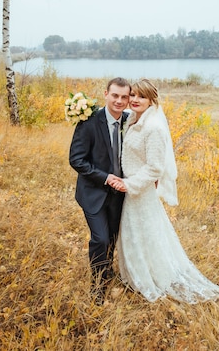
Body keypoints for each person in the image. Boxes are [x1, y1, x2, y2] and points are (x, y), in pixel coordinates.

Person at [110, 79, 219, 304]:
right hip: (133, 190)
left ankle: (152, 276)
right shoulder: (134, 119)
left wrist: (129, 184)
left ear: (152, 100)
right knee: (136, 234)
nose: (134, 99)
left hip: (139, 191)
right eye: (132, 95)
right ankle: (137, 273)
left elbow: (155, 167)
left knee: (145, 234)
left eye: (141, 97)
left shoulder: (153, 127)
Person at [69, 77, 131, 305]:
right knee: (101, 238)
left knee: (113, 237)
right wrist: (105, 178)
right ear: (106, 94)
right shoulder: (89, 122)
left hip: (120, 194)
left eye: (124, 97)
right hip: (94, 192)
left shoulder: (129, 121)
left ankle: (106, 270)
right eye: (115, 95)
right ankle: (97, 285)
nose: (119, 100)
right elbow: (76, 159)